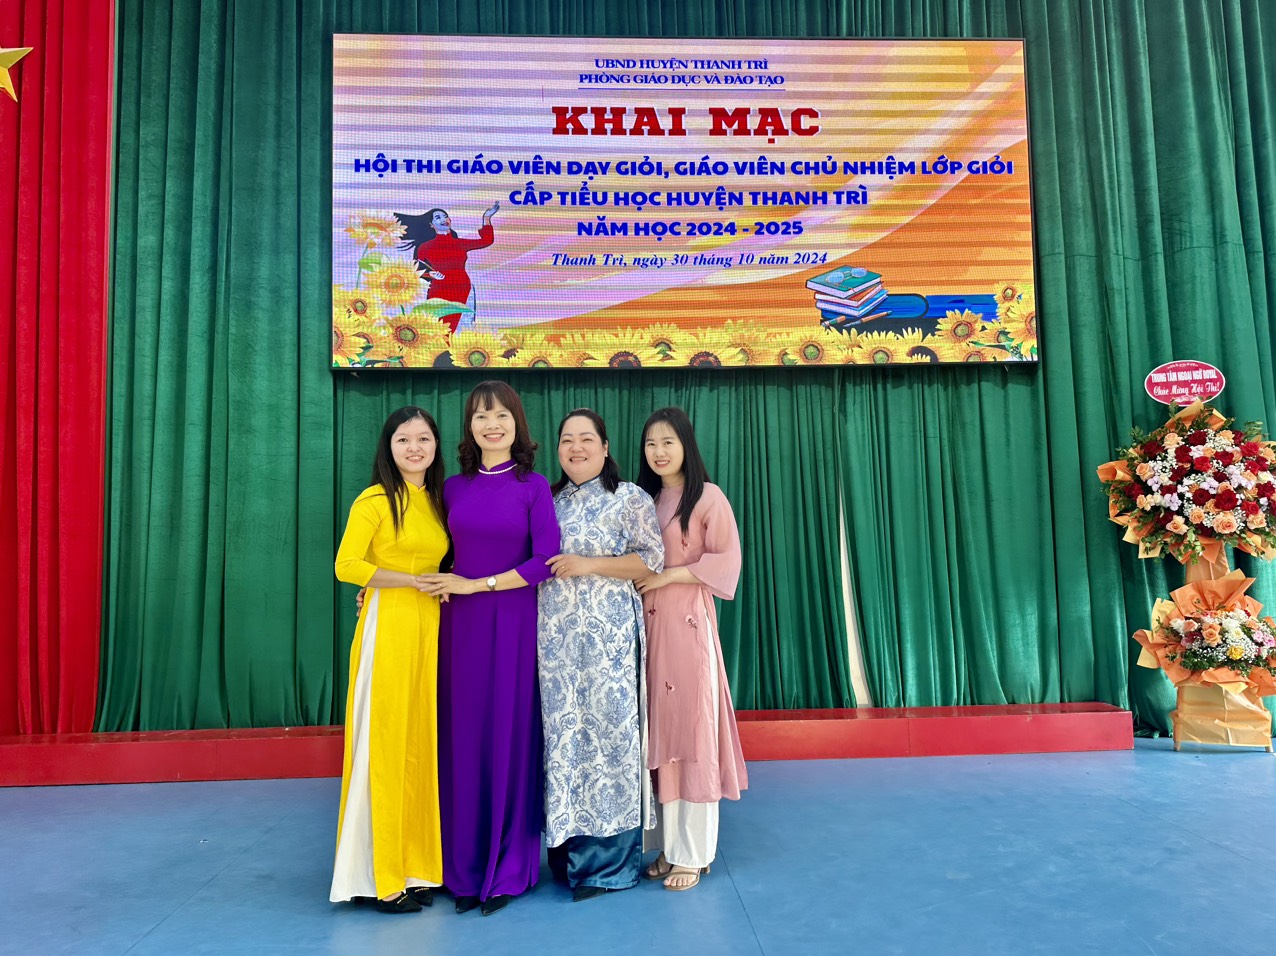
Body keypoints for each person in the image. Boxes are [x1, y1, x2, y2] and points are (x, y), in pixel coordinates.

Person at [419, 381, 560, 916]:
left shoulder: (533, 486)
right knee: (462, 739)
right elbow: (430, 553)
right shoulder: (452, 488)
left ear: (517, 423)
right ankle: (462, 869)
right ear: (469, 427)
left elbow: (545, 560)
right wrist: (384, 585)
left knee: (507, 737)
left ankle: (507, 871)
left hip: (513, 623)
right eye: (481, 416)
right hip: (459, 629)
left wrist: (479, 585)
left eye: (501, 414)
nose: (491, 424)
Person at [539, 409, 664, 902]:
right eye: (567, 439)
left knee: (610, 740)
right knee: (563, 742)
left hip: (609, 643)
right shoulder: (547, 500)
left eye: (586, 439)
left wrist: (588, 564)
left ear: (606, 447)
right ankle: (567, 858)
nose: (576, 447)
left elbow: (650, 559)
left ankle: (608, 865)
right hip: (553, 645)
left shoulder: (629, 497)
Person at [330, 406, 449, 914]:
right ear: (389, 447)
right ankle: (379, 875)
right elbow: (347, 565)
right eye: (404, 439)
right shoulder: (375, 499)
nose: (414, 448)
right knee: (383, 744)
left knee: (418, 743)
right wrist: (410, 581)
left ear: (436, 446)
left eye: (423, 438)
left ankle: (415, 866)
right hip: (388, 627)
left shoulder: (436, 501)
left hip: (429, 628)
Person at [634, 406, 747, 892]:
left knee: (692, 734)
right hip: (650, 627)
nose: (659, 452)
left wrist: (668, 576)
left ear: (686, 445)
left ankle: (695, 853)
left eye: (668, 442)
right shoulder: (645, 499)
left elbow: (726, 561)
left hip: (688, 625)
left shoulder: (708, 497)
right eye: (651, 443)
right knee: (660, 735)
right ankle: (669, 846)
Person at [394, 204, 499, 332]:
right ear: (431, 224)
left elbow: (486, 241)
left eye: (445, 216)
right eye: (438, 217)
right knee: (438, 330)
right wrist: (430, 274)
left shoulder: (460, 243)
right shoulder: (425, 247)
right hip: (439, 291)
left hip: (463, 289)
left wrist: (487, 218)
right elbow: (415, 270)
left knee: (461, 330)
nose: (443, 219)